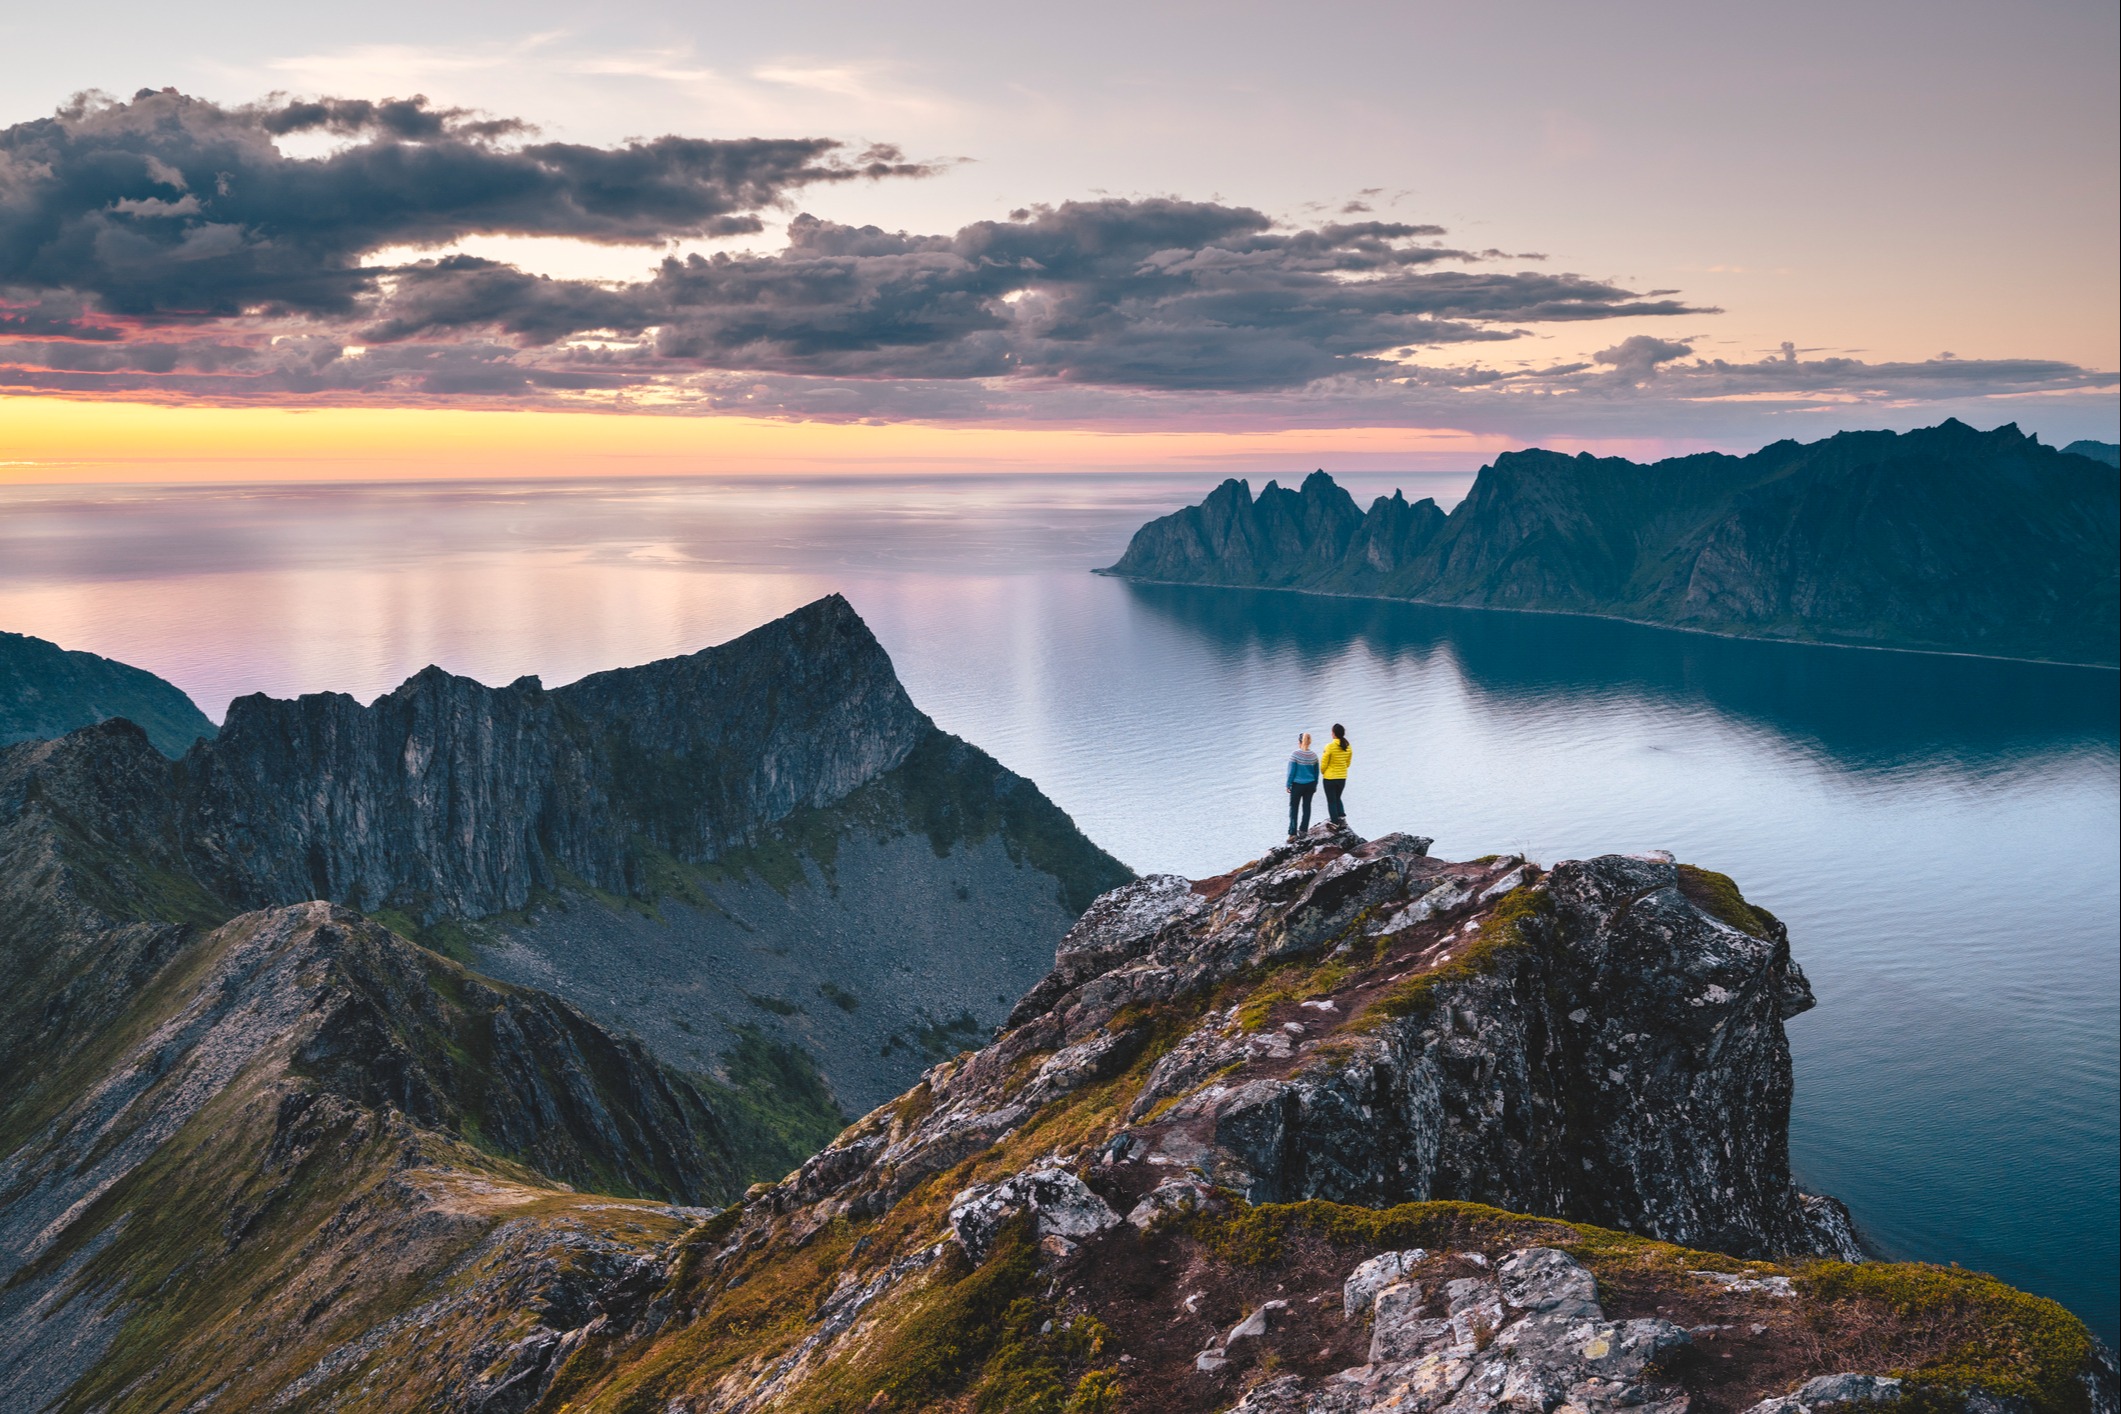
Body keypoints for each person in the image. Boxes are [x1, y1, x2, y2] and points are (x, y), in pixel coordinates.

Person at [1286, 732, 1320, 837]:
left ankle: (1292, 833)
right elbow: (1316, 773)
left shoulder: (1295, 754)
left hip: (1297, 785)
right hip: (1310, 785)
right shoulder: (1314, 756)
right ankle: (1303, 831)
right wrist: (1315, 785)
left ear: (1300, 742)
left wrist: (1288, 784)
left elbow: (1291, 772)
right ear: (1309, 742)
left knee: (1294, 808)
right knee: (1307, 807)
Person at [1321, 723, 1352, 823]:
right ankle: (1342, 818)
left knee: (1331, 801)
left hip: (1329, 778)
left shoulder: (1329, 746)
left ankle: (1334, 822)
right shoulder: (1348, 747)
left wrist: (1323, 771)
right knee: (1338, 798)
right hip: (1342, 778)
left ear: (1334, 734)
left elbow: (1324, 763)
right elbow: (1347, 764)